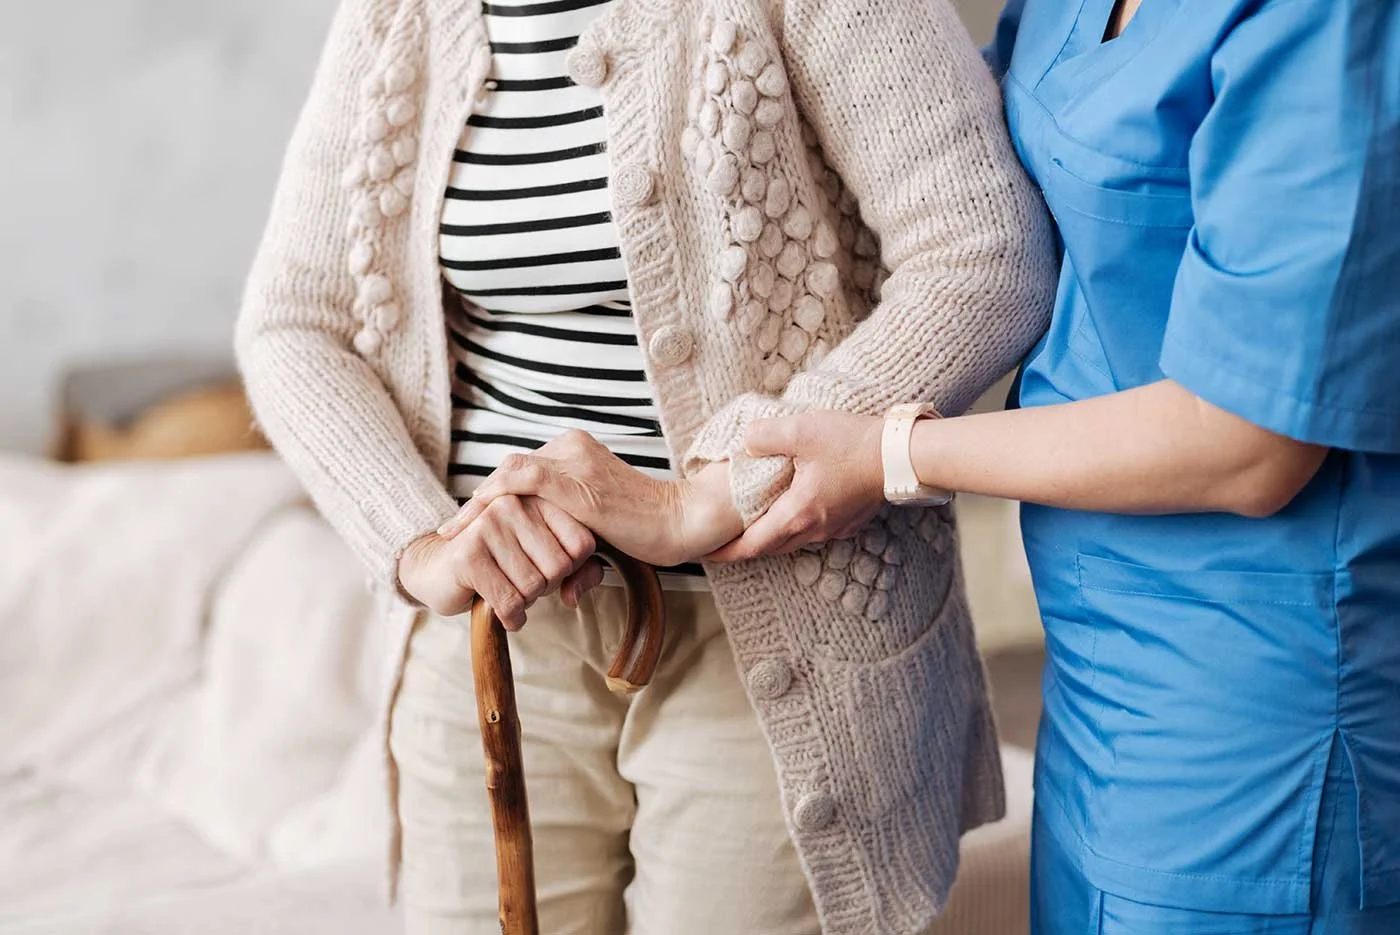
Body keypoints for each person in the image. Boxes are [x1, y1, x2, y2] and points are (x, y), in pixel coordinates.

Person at [478, 0, 1400, 932]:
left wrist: (888, 454)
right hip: (1099, 657)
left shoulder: (1324, 20)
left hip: (1266, 674)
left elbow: (1249, 440)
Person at [235, 0, 1057, 930]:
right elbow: (295, 322)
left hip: (777, 621)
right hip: (498, 641)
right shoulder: (397, 15)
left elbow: (985, 252)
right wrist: (419, 541)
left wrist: (719, 489)